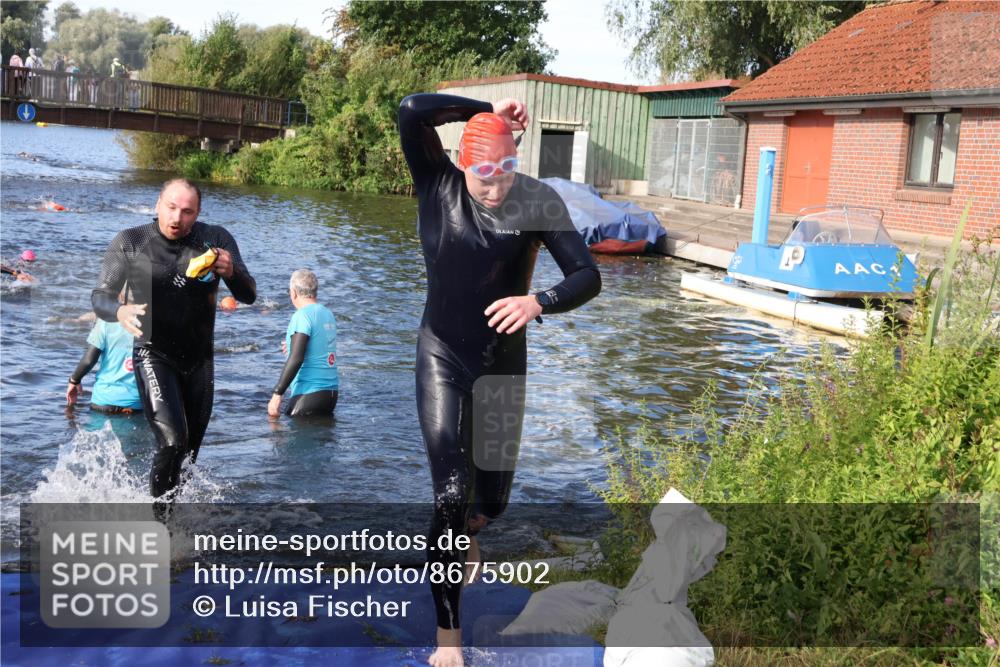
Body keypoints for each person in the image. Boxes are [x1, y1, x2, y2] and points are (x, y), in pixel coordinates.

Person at [397, 93, 601, 667]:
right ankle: (449, 641)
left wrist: (539, 302)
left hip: (502, 366)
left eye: (506, 171)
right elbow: (412, 110)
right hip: (441, 356)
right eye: (485, 174)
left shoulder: (536, 199)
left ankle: (472, 530)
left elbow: (587, 275)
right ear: (463, 162)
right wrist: (484, 108)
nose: (496, 187)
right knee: (449, 493)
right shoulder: (437, 183)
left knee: (489, 503)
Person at [91, 178, 256, 513]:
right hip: (153, 354)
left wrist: (232, 272)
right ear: (158, 204)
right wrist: (119, 310)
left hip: (199, 362)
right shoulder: (132, 241)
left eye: (187, 211)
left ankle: (173, 519)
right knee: (172, 443)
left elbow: (249, 294)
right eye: (171, 207)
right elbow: (100, 298)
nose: (177, 218)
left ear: (198, 213)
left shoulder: (216, 240)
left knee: (188, 455)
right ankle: (159, 526)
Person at [267, 269, 339, 419]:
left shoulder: (301, 316)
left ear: (293, 293)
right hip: (331, 395)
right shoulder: (328, 313)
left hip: (308, 394)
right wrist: (292, 346)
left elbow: (296, 358)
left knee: (274, 423)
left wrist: (277, 393)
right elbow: (321, 345)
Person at [66, 315, 143, 414]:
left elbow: (89, 360)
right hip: (137, 402)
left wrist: (74, 380)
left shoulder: (106, 320)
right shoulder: (152, 321)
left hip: (104, 400)